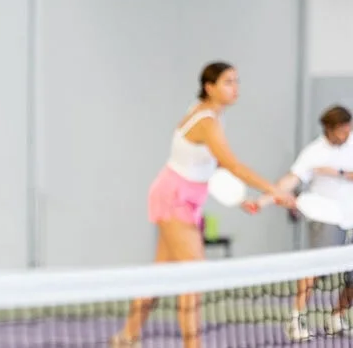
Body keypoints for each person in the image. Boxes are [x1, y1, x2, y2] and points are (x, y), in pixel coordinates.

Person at [110, 61, 296, 348]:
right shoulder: (207, 121)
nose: (235, 88)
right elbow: (233, 164)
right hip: (173, 198)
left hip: (186, 199)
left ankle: (126, 336)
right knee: (195, 276)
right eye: (228, 82)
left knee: (160, 275)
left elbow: (214, 164)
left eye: (237, 81)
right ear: (209, 87)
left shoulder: (214, 117)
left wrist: (240, 199)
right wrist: (275, 191)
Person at [249, 105, 353, 341]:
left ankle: (336, 318)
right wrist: (262, 201)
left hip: (351, 218)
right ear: (329, 129)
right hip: (325, 219)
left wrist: (337, 172)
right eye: (342, 130)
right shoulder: (313, 152)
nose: (346, 134)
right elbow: (290, 180)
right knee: (313, 270)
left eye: (349, 129)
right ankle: (296, 320)